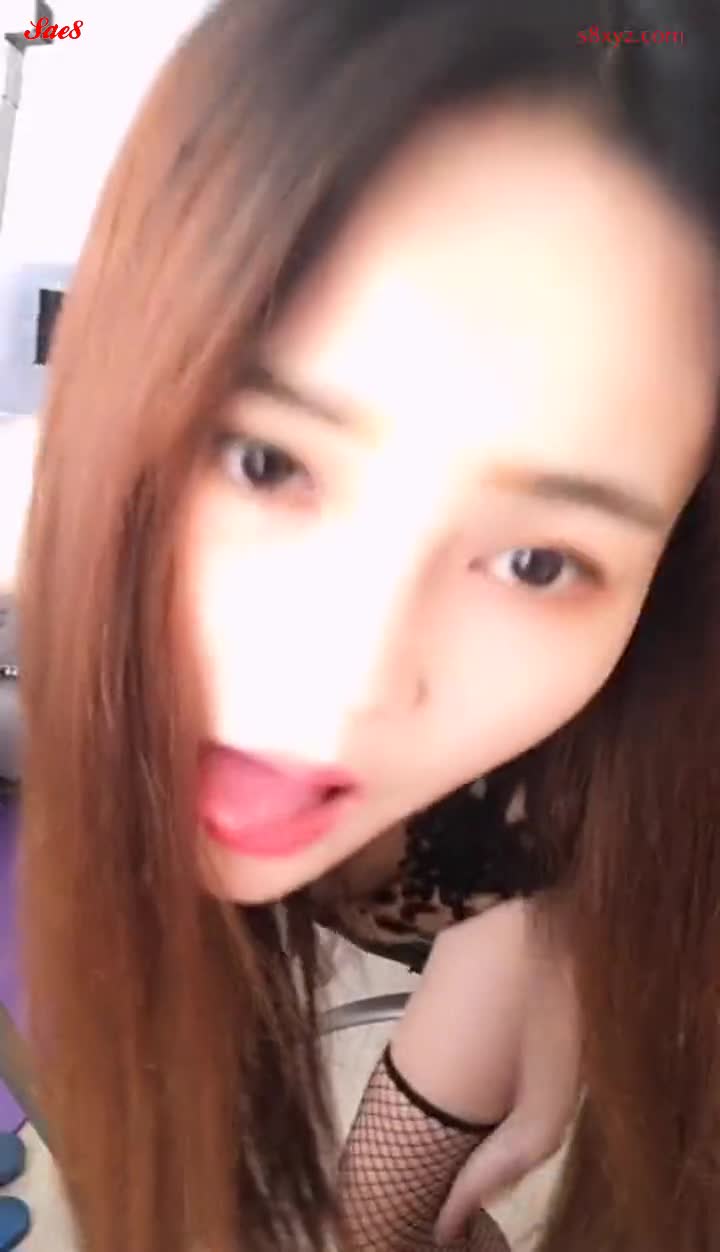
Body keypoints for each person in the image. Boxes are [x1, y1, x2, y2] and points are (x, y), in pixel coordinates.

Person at [3, 0, 720, 1248]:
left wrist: (577, 956)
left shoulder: (583, 802)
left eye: (539, 560)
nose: (347, 682)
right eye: (267, 461)